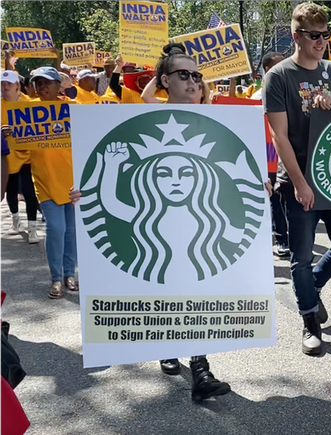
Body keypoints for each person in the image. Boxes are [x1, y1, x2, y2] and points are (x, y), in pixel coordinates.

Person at [70, 43, 232, 402]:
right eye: (184, 75)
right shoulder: (140, 118)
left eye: (197, 75)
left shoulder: (218, 123)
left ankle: (201, 368)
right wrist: (87, 189)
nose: (193, 81)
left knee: (197, 293)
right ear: (164, 81)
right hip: (155, 242)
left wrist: (257, 184)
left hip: (197, 239)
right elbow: (110, 198)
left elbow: (231, 178)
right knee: (164, 290)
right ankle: (169, 345)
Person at [264, 2, 331, 356]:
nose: (321, 42)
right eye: (314, 35)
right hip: (298, 180)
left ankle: (310, 289)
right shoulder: (279, 76)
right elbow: (279, 136)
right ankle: (309, 321)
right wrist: (301, 183)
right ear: (296, 35)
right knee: (300, 256)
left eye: (325, 35)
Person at [24, 68, 79, 298]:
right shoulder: (25, 112)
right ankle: (56, 278)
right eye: (38, 83)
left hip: (74, 183)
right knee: (56, 229)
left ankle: (70, 274)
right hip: (45, 182)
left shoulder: (74, 110)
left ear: (59, 86)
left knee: (71, 232)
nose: (42, 87)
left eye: (47, 82)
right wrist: (8, 139)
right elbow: (21, 152)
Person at [250, 52, 290, 257]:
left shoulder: (288, 92)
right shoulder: (257, 98)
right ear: (268, 69)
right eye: (279, 65)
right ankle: (281, 239)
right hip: (266, 155)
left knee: (282, 197)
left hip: (286, 153)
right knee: (273, 198)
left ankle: (285, 237)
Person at [1, 70, 39, 243]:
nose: (5, 86)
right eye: (2, 83)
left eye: (9, 83)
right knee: (11, 190)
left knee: (30, 193)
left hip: (28, 156)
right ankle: (15, 220)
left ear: (17, 86)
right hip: (7, 157)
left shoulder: (30, 103)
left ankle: (32, 227)